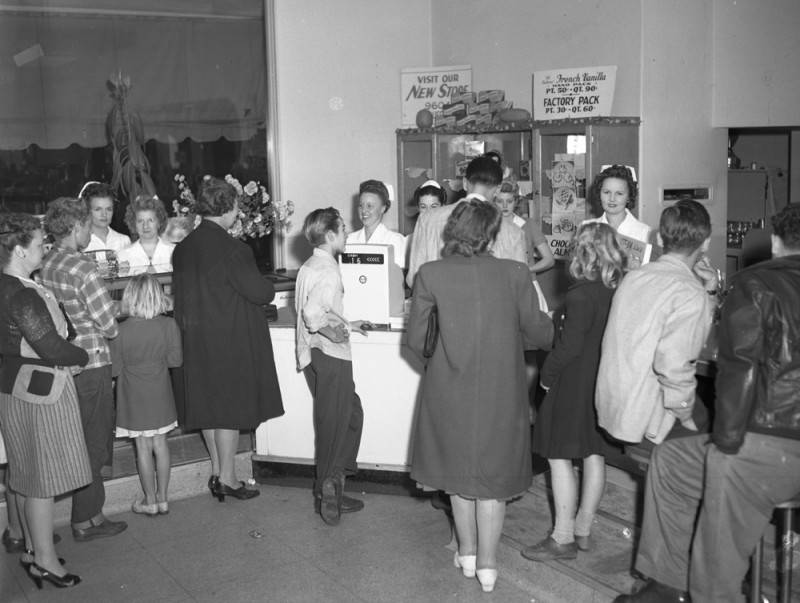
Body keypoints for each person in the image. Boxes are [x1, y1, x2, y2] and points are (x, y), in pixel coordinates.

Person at [614, 203, 800, 602]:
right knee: (672, 459)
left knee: (715, 570)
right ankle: (669, 582)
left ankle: (698, 588)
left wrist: (725, 449)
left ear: (774, 243)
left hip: (774, 445)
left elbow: (740, 372)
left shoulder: (757, 284)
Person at [407, 199, 553, 593]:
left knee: (456, 473)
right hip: (500, 390)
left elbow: (417, 339)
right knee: (493, 476)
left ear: (452, 230)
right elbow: (540, 334)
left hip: (446, 387)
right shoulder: (516, 273)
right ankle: (489, 567)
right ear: (491, 234)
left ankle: (467, 555)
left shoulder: (430, 273)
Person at [172, 177, 283, 502]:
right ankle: (229, 479)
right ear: (226, 208)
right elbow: (259, 291)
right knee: (230, 408)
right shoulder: (234, 249)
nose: (238, 212)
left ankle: (219, 472)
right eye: (235, 205)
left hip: (194, 339)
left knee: (209, 407)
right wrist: (267, 284)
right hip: (228, 339)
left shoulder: (183, 248)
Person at [523, 223, 626, 562]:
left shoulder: (579, 295)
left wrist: (546, 378)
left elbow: (567, 348)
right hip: (601, 382)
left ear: (582, 253)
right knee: (594, 453)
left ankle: (562, 537)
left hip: (572, 382)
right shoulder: (617, 291)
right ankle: (583, 528)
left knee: (559, 455)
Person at [0, 212, 91, 588]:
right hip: (39, 390)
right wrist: (82, 355)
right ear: (20, 250)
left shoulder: (5, 284)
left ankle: (29, 549)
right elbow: (51, 346)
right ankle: (45, 561)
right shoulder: (22, 293)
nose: (44, 248)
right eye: (39, 244)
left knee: (23, 473)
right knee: (42, 480)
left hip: (11, 386)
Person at [39, 197, 128, 543]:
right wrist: (121, 307)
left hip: (66, 363)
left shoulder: (47, 263)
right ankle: (86, 518)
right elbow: (109, 326)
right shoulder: (84, 268)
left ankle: (91, 513)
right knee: (95, 442)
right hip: (92, 363)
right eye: (88, 225)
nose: (91, 230)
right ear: (76, 227)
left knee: (79, 439)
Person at [595, 199, 718, 446]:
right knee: (713, 421)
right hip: (644, 416)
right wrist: (684, 412)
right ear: (706, 243)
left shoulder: (634, 277)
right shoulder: (689, 292)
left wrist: (710, 291)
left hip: (612, 404)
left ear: (660, 239)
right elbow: (673, 366)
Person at [295, 207, 371, 526]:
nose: (346, 233)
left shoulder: (310, 265)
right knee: (335, 424)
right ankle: (328, 485)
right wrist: (335, 331)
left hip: (314, 355)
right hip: (331, 356)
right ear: (330, 235)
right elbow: (314, 315)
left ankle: (335, 480)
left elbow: (319, 309)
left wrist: (345, 323)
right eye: (342, 229)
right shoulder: (328, 270)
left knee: (350, 414)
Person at [111, 274, 182, 516]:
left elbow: (114, 369)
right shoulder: (169, 325)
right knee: (161, 445)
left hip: (132, 396)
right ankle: (163, 498)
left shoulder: (120, 331)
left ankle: (149, 500)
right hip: (161, 393)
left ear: (129, 297)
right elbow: (176, 361)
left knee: (142, 447)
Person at [406, 154, 526, 287]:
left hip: (440, 305)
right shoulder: (513, 232)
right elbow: (520, 285)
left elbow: (414, 278)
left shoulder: (427, 219)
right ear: (498, 189)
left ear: (464, 183)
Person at [494, 180, 554, 310]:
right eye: (499, 201)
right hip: (498, 286)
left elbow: (549, 259)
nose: (505, 205)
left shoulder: (528, 225)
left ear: (516, 201)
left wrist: (528, 270)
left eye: (509, 201)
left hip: (526, 284)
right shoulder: (488, 226)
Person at [346, 179, 406, 269]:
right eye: (361, 206)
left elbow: (398, 277)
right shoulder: (349, 240)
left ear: (383, 208)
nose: (364, 211)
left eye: (369, 206)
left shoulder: (394, 240)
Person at [583, 165, 651, 243]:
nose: (612, 199)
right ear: (599, 193)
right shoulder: (587, 229)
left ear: (629, 196)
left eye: (619, 193)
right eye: (607, 192)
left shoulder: (644, 233)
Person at [117, 195, 175, 274]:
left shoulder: (174, 251)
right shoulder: (123, 255)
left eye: (150, 220)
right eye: (140, 221)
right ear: (133, 224)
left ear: (159, 222)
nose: (145, 226)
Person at [78, 181, 131, 253]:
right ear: (88, 210)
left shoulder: (123, 241)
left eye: (109, 209)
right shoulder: (81, 242)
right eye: (98, 209)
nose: (104, 214)